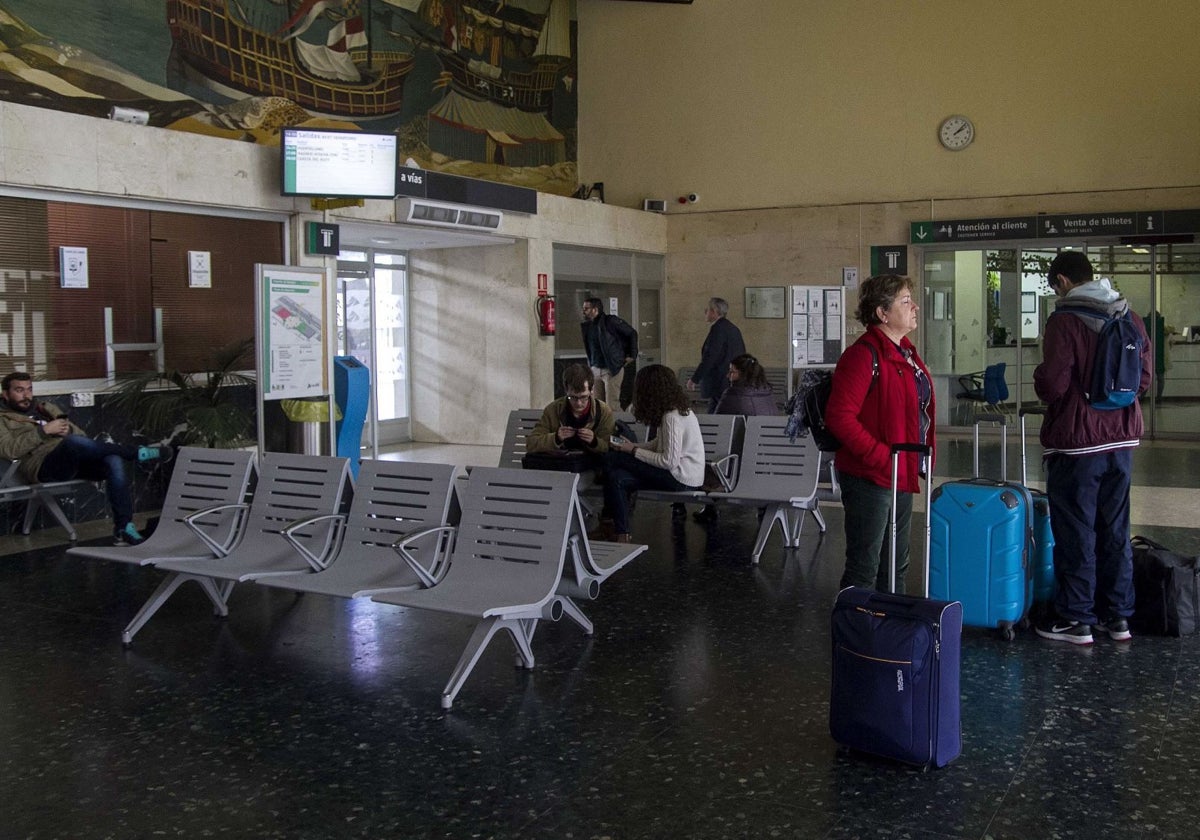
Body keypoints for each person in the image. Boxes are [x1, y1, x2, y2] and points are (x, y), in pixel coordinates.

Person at [1034, 251, 1151, 645]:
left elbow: (1053, 384)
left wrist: (1041, 377)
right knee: (1115, 527)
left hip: (1078, 443)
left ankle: (1075, 617)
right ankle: (1117, 616)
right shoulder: (1127, 315)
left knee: (1075, 529)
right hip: (1122, 439)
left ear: (1063, 281)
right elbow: (1145, 378)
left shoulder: (1064, 321)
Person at [825, 275, 934, 594]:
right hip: (870, 475)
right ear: (882, 314)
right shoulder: (862, 356)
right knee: (865, 565)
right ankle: (853, 631)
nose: (914, 307)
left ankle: (890, 630)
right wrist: (881, 456)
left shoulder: (907, 354)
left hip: (900, 471)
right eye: (905, 301)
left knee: (896, 564)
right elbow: (840, 417)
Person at [0, 371, 167, 546]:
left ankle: (123, 528)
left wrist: (69, 431)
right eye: (19, 390)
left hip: (72, 459)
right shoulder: (2, 419)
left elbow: (82, 437)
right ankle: (135, 453)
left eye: (29, 389)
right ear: (5, 394)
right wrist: (44, 431)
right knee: (74, 443)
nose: (26, 395)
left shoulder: (45, 408)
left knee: (113, 460)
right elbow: (8, 449)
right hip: (43, 465)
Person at [603, 365, 704, 543]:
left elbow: (668, 461)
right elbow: (657, 444)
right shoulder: (676, 411)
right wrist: (632, 445)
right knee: (616, 477)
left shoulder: (671, 417)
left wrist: (633, 451)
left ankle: (606, 518)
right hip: (682, 476)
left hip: (681, 478)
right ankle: (622, 533)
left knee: (614, 458)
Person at [692, 353, 777, 522]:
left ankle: (707, 507)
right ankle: (762, 508)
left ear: (743, 374)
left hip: (736, 464)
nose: (728, 375)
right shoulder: (767, 393)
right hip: (766, 461)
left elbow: (717, 426)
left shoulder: (733, 395)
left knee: (706, 456)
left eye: (732, 372)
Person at [526, 363, 616, 459]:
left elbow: (609, 447)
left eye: (584, 397)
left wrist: (594, 441)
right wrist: (556, 438)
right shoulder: (553, 409)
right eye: (572, 397)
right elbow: (531, 443)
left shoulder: (603, 411)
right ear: (566, 390)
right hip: (560, 465)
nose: (578, 403)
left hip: (592, 467)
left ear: (591, 390)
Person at [686, 297, 746, 413]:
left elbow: (710, 357)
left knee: (717, 413)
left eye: (707, 310)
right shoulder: (733, 329)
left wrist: (694, 379)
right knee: (717, 413)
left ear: (714, 311)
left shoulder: (718, 329)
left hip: (719, 381)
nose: (705, 313)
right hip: (730, 380)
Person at [580, 298, 638, 409]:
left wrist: (632, 354)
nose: (583, 311)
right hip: (595, 369)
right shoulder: (588, 326)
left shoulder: (610, 321)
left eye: (586, 309)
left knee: (612, 405)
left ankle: (618, 425)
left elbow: (632, 333)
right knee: (597, 405)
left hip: (612, 368)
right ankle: (601, 426)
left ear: (595, 309)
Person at [1143, 310, 1175, 400]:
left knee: (1147, 377)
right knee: (1160, 378)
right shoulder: (1162, 328)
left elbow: (1171, 329)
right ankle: (1158, 397)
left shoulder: (1149, 326)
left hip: (1150, 356)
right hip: (1160, 356)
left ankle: (1142, 396)